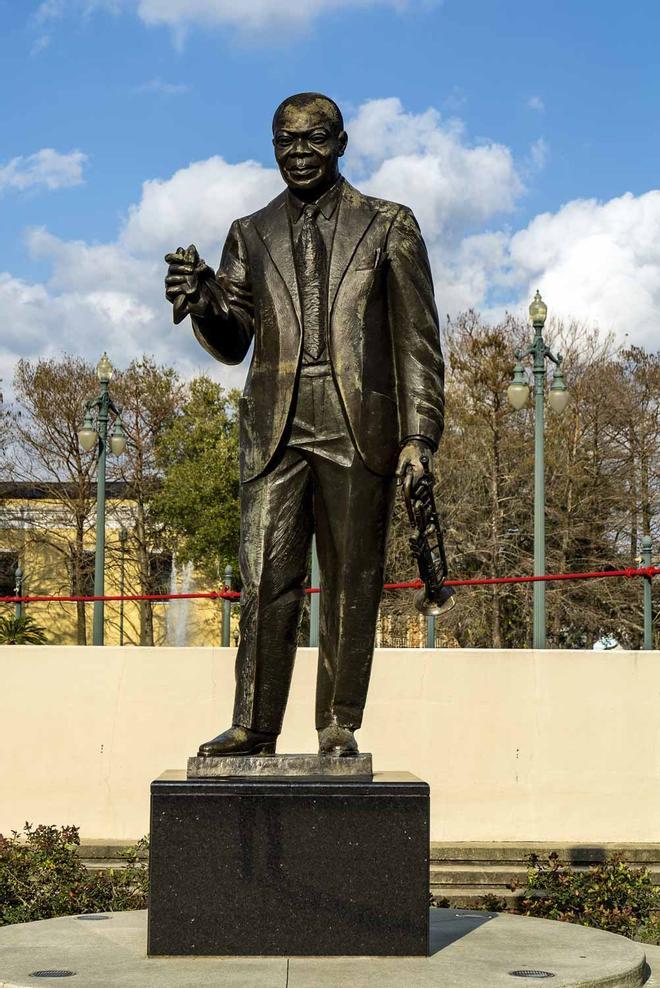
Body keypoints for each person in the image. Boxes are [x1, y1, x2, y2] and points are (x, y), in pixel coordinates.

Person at [164, 92, 444, 757]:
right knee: (264, 577)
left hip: (359, 423)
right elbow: (233, 341)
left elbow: (417, 342)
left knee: (353, 581)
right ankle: (253, 725)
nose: (299, 153)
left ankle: (338, 724)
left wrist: (419, 436)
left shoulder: (387, 225)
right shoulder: (249, 232)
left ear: (342, 143)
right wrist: (205, 303)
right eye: (285, 141)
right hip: (276, 426)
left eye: (314, 140)